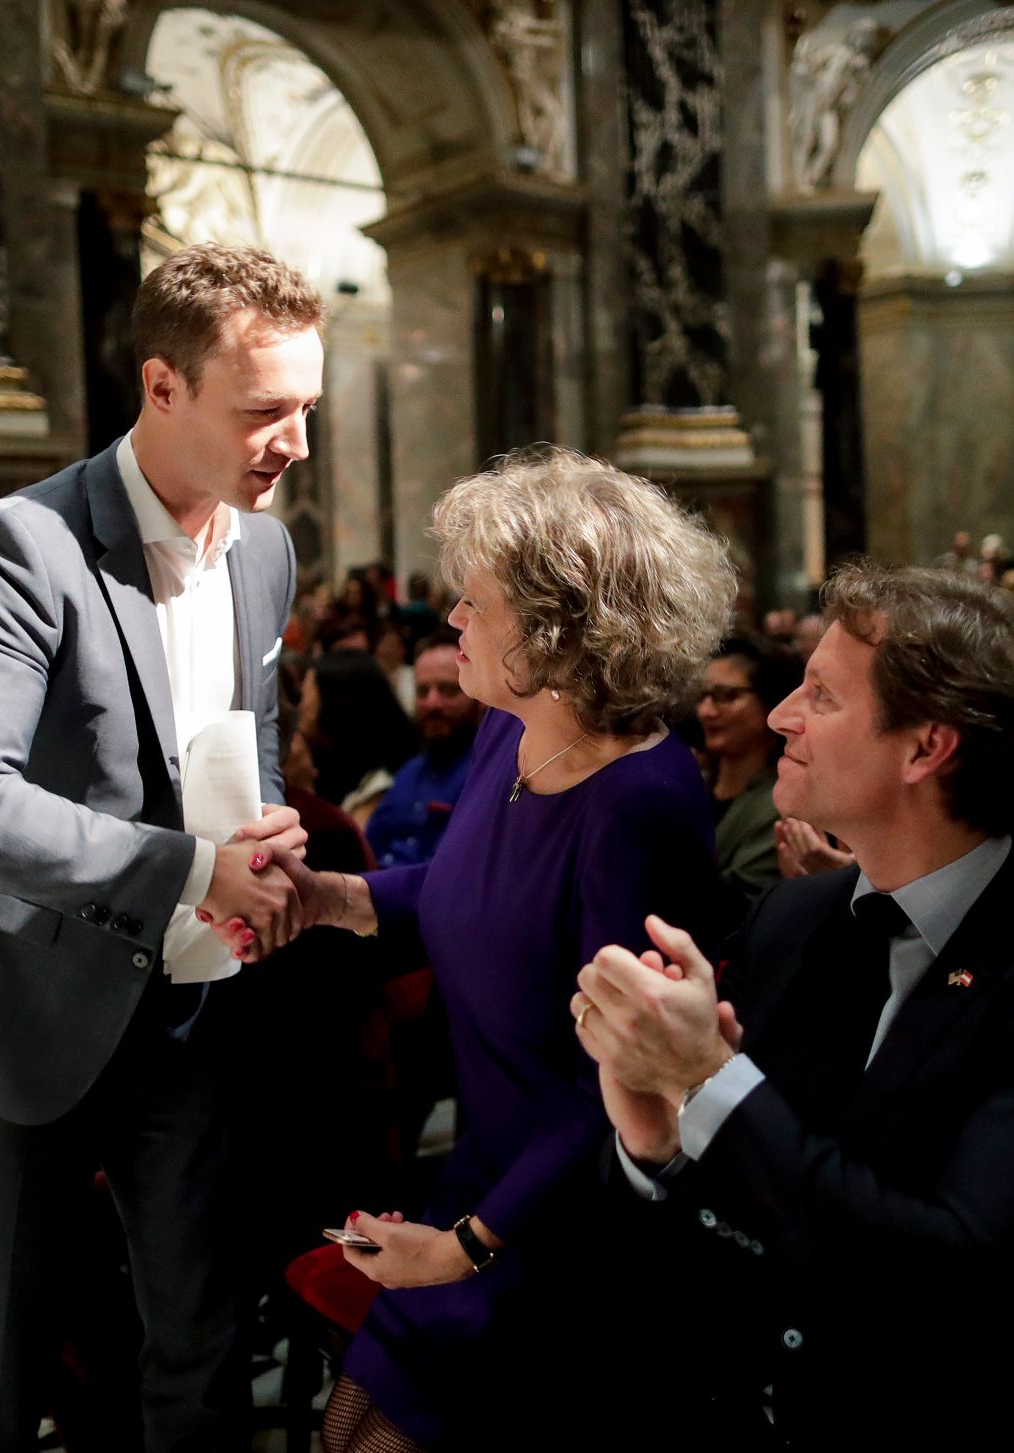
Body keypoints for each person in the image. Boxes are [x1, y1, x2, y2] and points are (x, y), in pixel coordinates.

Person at [572, 564, 1014, 1451]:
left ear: (925, 748)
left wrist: (711, 1080)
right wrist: (656, 1145)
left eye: (820, 694)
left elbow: (949, 1277)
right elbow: (746, 1224)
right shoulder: (796, 919)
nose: (782, 716)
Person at [0, 242, 319, 1452]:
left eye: (305, 409)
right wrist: (189, 867)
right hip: (19, 1011)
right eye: (264, 411)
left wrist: (264, 827)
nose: (293, 442)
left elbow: (246, 739)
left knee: (201, 1350)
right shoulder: (14, 546)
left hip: (187, 1012)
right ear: (163, 387)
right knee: (0, 1374)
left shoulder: (267, 548)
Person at [229, 448, 735, 1452]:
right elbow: (473, 896)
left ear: (554, 633)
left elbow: (625, 1079)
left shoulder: (639, 803)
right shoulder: (511, 732)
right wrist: (326, 895)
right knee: (345, 1426)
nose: (450, 620)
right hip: (483, 1167)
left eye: (474, 602)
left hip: (569, 1219)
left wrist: (465, 1247)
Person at [363, 629, 482, 867]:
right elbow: (367, 850)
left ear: (480, 697)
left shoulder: (489, 778)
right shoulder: (409, 773)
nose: (432, 703)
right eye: (423, 691)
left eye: (449, 690)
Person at [697, 634, 802, 900]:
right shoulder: (694, 781)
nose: (706, 711)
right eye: (703, 696)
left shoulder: (785, 804)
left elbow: (735, 902)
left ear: (770, 702)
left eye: (726, 696)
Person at [298, 650, 418, 809]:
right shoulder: (321, 766)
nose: (300, 707)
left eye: (306, 695)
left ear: (336, 705)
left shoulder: (382, 786)